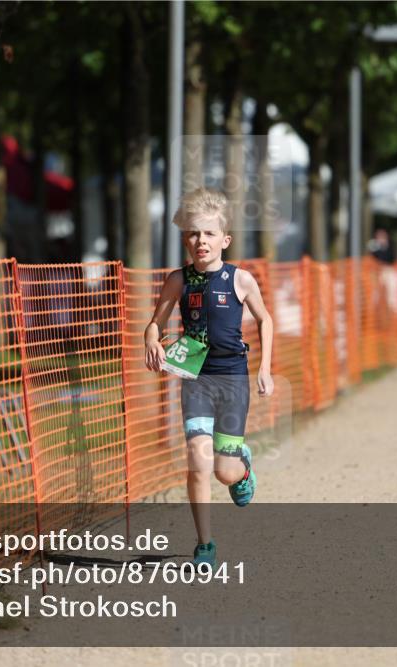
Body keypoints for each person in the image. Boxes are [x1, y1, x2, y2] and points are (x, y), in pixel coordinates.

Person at [143, 188, 274, 568]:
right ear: (186, 239)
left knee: (223, 471)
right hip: (196, 380)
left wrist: (264, 367)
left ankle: (242, 466)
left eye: (209, 234)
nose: (200, 241)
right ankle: (204, 544)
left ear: (225, 240)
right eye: (193, 234)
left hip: (233, 380)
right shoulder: (177, 280)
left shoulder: (241, 279)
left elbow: (265, 319)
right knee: (198, 463)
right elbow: (155, 324)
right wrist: (152, 340)